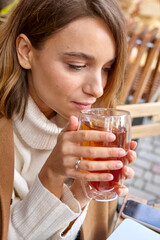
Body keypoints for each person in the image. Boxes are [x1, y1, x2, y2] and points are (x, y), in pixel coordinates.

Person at [0, 0, 137, 239]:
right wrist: (51, 174)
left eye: (107, 68)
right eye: (77, 65)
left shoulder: (80, 122)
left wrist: (83, 190)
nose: (97, 89)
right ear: (26, 52)